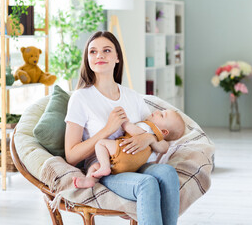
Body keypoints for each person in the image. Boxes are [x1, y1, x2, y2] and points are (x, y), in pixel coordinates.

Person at [65, 31, 180, 225]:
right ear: (87, 58)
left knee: (168, 173)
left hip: (139, 164)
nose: (99, 55)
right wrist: (107, 129)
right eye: (93, 52)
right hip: (108, 170)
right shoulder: (80, 98)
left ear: (117, 57)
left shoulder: (132, 97)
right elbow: (71, 155)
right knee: (147, 184)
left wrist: (148, 139)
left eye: (106, 50)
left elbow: (153, 131)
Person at [72, 109, 185, 189]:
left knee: (101, 144)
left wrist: (124, 123)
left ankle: (104, 167)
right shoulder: (156, 143)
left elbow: (136, 132)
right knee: (95, 167)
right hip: (132, 168)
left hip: (124, 151)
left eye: (161, 115)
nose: (156, 112)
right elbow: (154, 158)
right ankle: (90, 180)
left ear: (164, 132)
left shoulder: (150, 127)